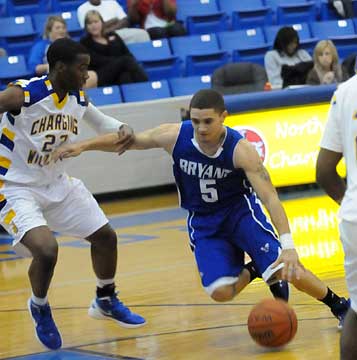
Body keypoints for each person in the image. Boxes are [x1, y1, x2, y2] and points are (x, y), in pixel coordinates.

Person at [53, 88, 350, 329]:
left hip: (240, 214)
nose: (201, 128)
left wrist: (288, 246)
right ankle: (256, 268)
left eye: (208, 121)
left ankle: (339, 305)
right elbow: (129, 141)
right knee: (220, 292)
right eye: (195, 121)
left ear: (223, 117)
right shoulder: (175, 135)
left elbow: (270, 197)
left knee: (287, 268)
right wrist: (83, 146)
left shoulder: (240, 150)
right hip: (204, 223)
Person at [0, 38, 146, 351]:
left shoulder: (77, 97)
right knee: (47, 250)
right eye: (81, 68)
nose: (86, 73)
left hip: (56, 182)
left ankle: (105, 298)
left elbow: (101, 121)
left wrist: (123, 128)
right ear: (60, 68)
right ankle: (39, 304)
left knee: (106, 237)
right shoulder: (25, 93)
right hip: (14, 186)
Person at [316, 76, 357, 359]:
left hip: (354, 218)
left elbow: (324, 171)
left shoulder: (345, 91)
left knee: (356, 309)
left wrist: (349, 204)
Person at [80, 10, 148, 86]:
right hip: (100, 74)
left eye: (96, 22)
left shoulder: (112, 35)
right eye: (90, 23)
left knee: (125, 76)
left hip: (118, 70)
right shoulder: (85, 42)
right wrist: (120, 62)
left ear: (102, 23)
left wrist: (120, 64)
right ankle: (146, 83)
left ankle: (136, 96)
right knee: (126, 60)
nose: (93, 25)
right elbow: (98, 61)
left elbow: (127, 52)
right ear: (86, 27)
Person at [28, 15, 97, 88]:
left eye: (63, 28)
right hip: (50, 79)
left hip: (71, 76)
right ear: (49, 31)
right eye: (58, 28)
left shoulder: (72, 45)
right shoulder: (41, 46)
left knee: (92, 75)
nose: (61, 30)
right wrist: (53, 67)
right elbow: (34, 68)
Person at [77, 0, 150, 44]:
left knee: (143, 34)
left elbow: (125, 21)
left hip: (120, 31)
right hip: (100, 36)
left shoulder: (111, 2)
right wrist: (114, 20)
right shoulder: (82, 9)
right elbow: (89, 29)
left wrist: (106, 28)